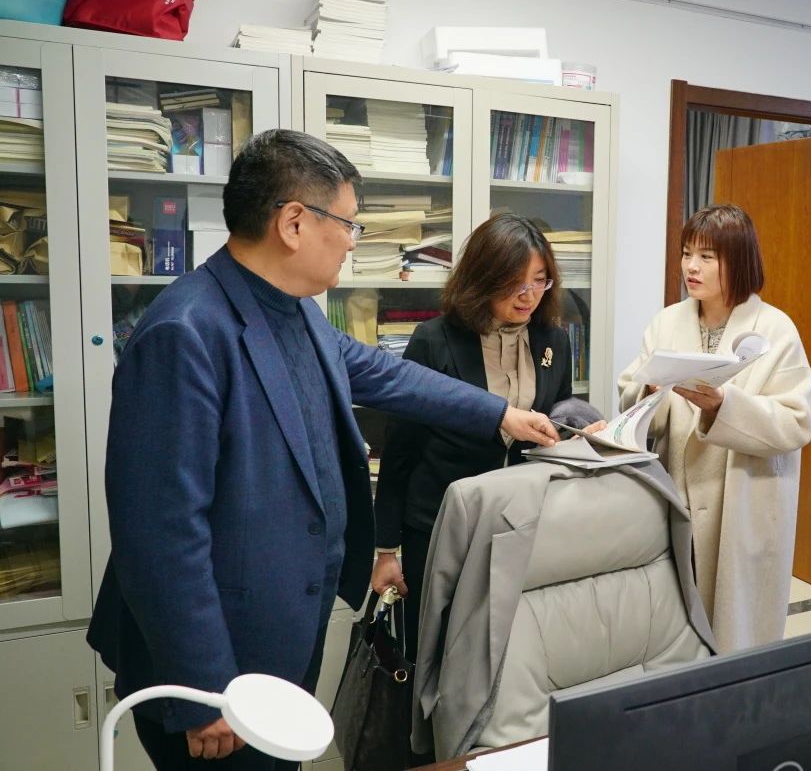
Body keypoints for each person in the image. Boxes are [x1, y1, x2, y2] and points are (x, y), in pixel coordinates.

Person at [86, 130, 558, 770]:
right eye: (349, 224)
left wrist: (501, 414)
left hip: (278, 636)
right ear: (294, 223)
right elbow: (159, 535)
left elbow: (383, 373)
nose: (353, 241)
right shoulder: (185, 333)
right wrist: (203, 688)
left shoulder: (295, 309)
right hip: (216, 670)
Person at [370, 213, 598, 660]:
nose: (528, 295)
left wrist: (579, 436)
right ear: (483, 278)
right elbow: (399, 449)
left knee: (509, 654)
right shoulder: (435, 340)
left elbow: (554, 421)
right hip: (439, 526)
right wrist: (386, 550)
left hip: (521, 524)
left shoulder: (553, 340)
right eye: (514, 282)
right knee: (434, 654)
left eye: (540, 280)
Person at [618, 204, 811, 652]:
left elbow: (796, 422)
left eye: (707, 256)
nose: (691, 266)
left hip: (743, 503)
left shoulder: (776, 330)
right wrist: (649, 388)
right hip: (677, 493)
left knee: (737, 634)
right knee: (673, 629)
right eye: (687, 253)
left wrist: (723, 407)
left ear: (739, 260)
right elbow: (630, 396)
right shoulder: (667, 322)